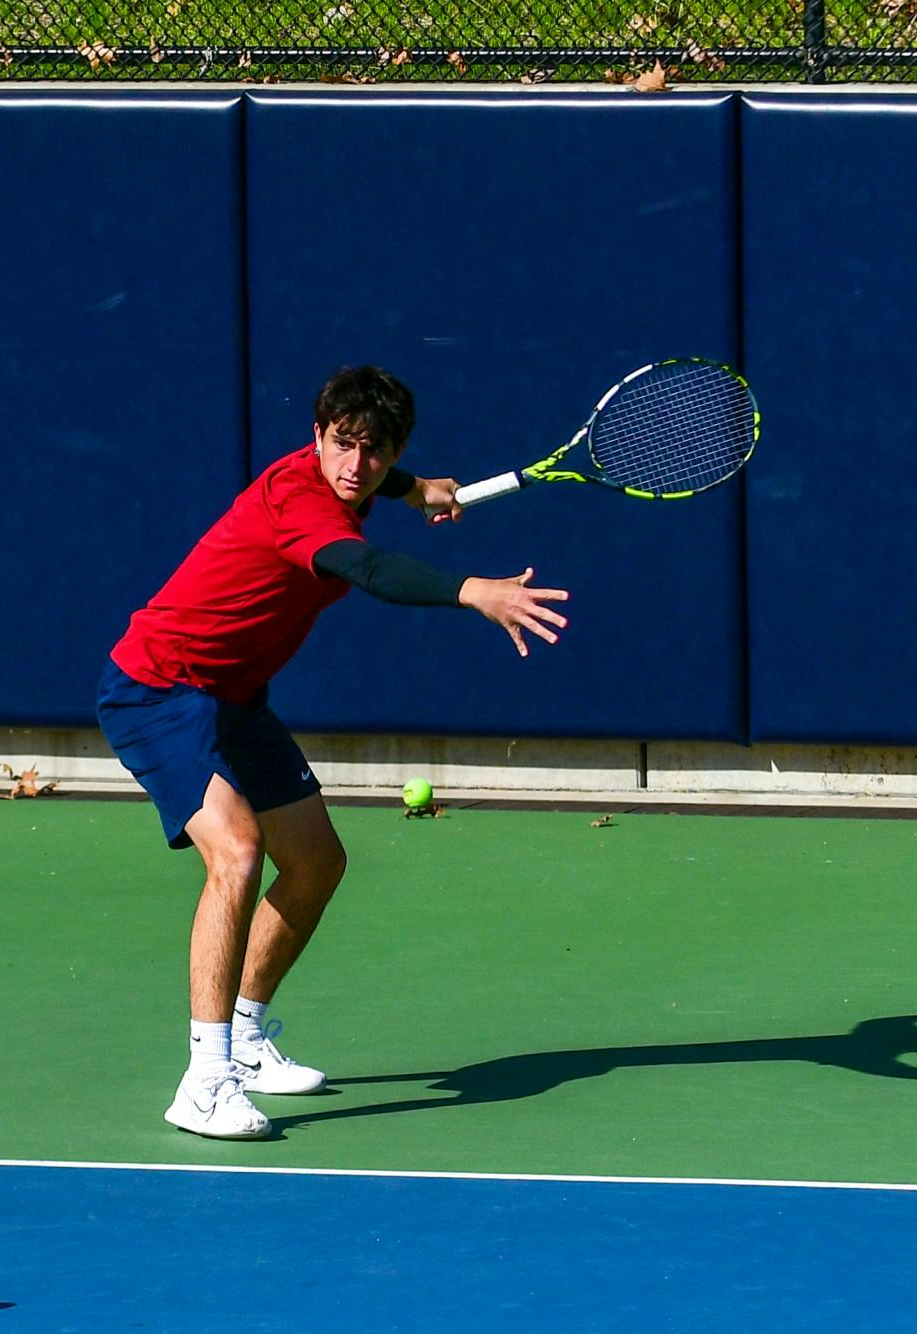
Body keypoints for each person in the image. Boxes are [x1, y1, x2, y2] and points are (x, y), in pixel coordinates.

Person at [96, 366, 571, 1140]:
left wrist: (415, 489)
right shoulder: (297, 500)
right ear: (316, 436)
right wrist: (472, 591)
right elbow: (368, 568)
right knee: (238, 853)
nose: (355, 463)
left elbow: (367, 486)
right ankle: (204, 1081)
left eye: (375, 451)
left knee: (316, 861)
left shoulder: (358, 478)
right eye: (342, 443)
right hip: (159, 688)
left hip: (235, 696)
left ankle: (245, 1037)